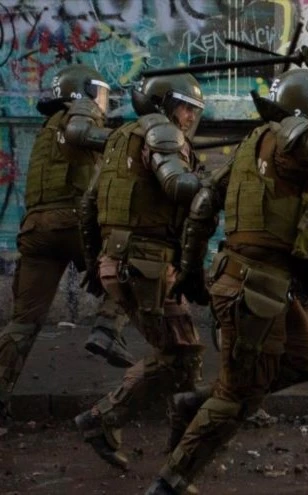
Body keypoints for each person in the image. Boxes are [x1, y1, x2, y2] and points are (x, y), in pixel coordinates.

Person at [144, 47, 308, 494]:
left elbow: (204, 203)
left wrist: (190, 269)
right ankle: (169, 482)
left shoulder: (256, 142)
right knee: (237, 398)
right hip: (253, 289)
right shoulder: (291, 140)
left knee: (306, 361)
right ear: (305, 112)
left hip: (263, 286)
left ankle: (197, 401)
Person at [73, 73, 208, 472]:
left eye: (194, 111)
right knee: (179, 354)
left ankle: (183, 442)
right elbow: (178, 187)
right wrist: (217, 182)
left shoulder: (120, 137)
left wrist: (95, 263)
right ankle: (102, 419)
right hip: (146, 265)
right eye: (185, 108)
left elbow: (88, 206)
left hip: (124, 263)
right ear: (165, 104)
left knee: (183, 350)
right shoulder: (160, 133)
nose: (190, 117)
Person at [0, 65, 133, 427]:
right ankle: (107, 328)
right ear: (83, 92)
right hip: (73, 222)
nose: (103, 102)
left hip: (37, 229)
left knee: (23, 323)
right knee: (135, 261)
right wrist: (126, 141)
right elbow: (83, 133)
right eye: (99, 93)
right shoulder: (80, 111)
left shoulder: (47, 128)